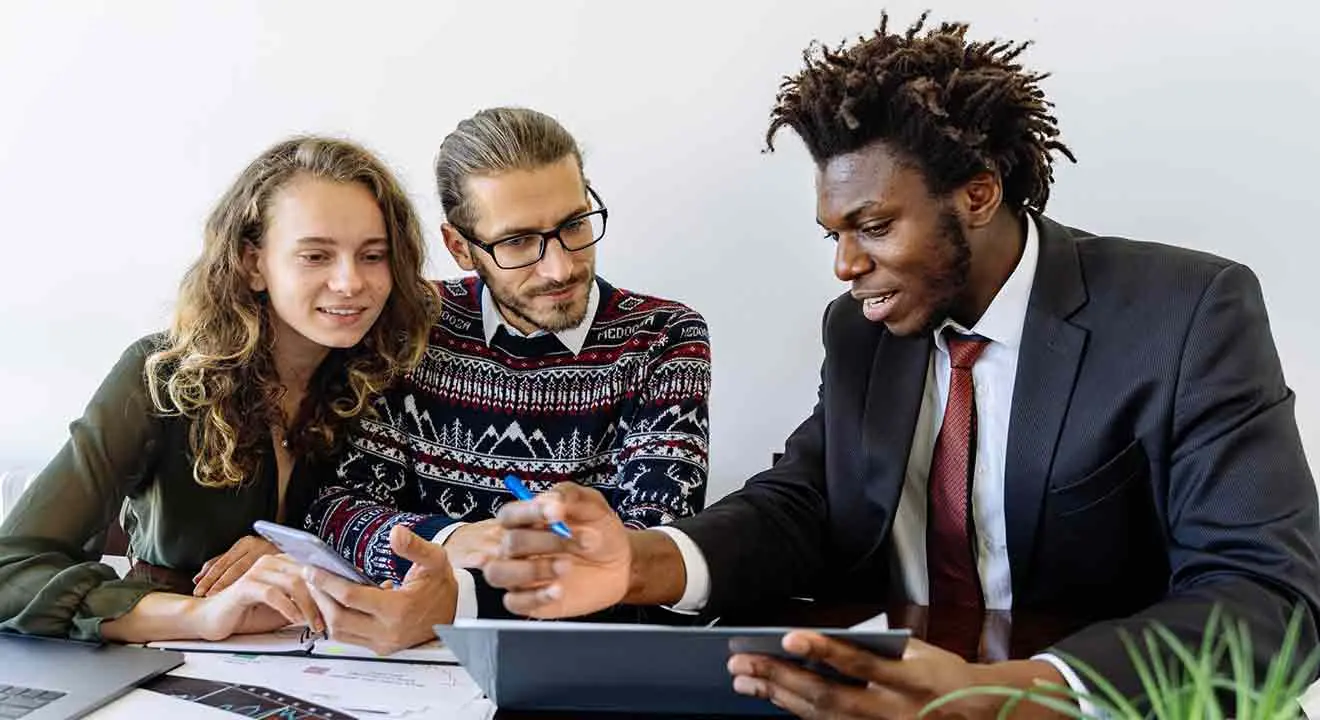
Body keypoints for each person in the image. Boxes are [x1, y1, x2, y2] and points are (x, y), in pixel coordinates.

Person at [477, 13, 1320, 718]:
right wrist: (640, 562)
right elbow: (805, 502)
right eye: (833, 234)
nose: (845, 265)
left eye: (872, 227)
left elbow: (1271, 600)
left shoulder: (1187, 312)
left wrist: (1009, 694)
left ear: (978, 194)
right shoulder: (863, 331)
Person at [298, 107, 712, 654]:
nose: (560, 268)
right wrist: (456, 538)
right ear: (460, 248)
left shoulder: (664, 338)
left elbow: (646, 554)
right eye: (517, 242)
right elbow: (335, 506)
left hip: (592, 663)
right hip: (418, 665)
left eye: (574, 225)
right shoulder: (408, 327)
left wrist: (453, 594)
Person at [0, 136, 438, 644]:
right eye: (316, 256)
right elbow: (12, 570)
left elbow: (429, 535)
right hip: (175, 656)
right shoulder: (161, 374)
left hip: (354, 659)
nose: (350, 282)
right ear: (254, 264)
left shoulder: (395, 373)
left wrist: (308, 552)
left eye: (373, 255)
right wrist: (201, 616)